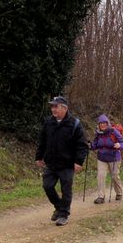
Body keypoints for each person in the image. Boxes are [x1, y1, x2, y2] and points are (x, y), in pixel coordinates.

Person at [35, 96, 89, 226]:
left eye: (56, 107)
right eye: (52, 107)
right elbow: (42, 141)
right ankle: (59, 207)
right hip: (51, 163)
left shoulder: (74, 124)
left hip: (67, 164)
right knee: (47, 186)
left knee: (66, 190)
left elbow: (82, 145)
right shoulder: (48, 122)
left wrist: (79, 162)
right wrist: (39, 156)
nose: (53, 109)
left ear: (64, 108)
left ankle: (64, 215)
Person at [90, 114, 123, 204]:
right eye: (100, 123)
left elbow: (122, 142)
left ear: (107, 123)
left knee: (114, 176)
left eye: (104, 123)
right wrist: (90, 146)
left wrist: (119, 145)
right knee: (101, 176)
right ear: (98, 125)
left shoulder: (113, 131)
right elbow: (95, 145)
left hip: (114, 157)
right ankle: (101, 197)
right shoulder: (98, 133)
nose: (102, 125)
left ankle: (119, 193)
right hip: (102, 158)